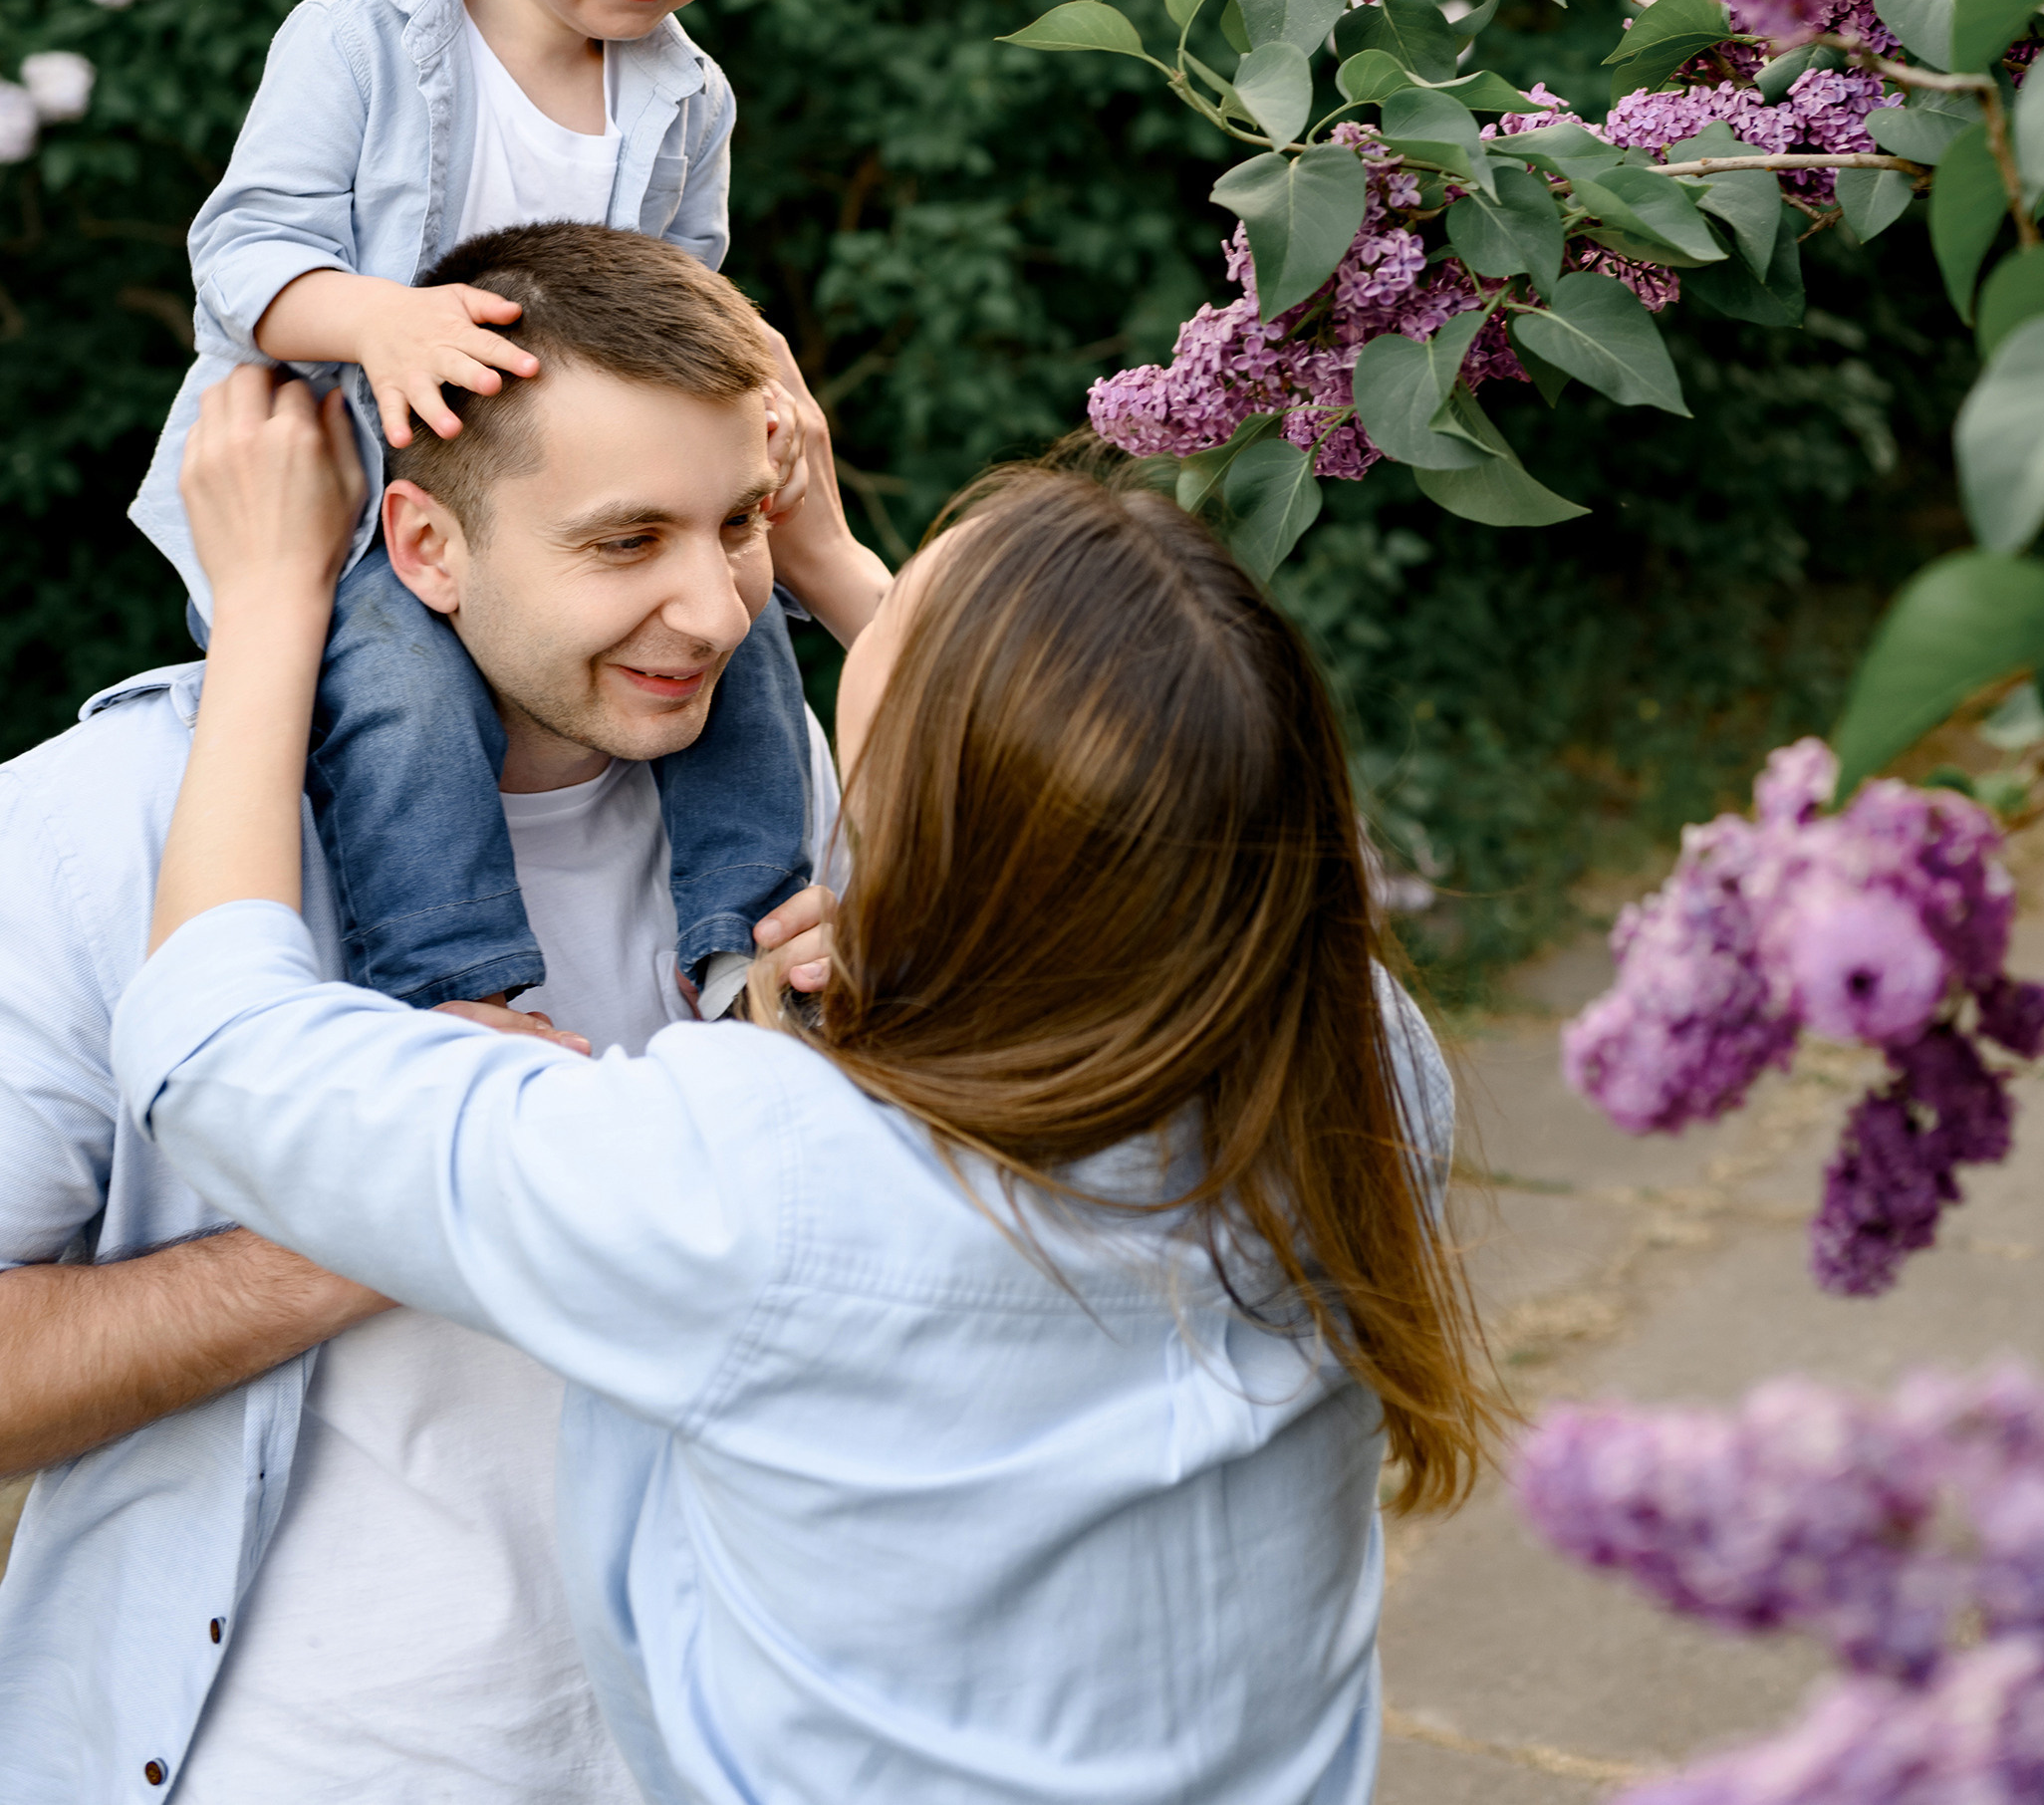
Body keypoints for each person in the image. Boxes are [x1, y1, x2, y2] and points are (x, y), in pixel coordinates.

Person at [112, 362, 1493, 1805]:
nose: (748, 613)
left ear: (926, 806)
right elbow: (1113, 822)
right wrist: (835, 587)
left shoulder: (766, 1181)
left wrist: (269, 607)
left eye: (885, 614)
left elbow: (214, 1051)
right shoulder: (1359, 1064)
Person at [0, 224, 885, 1804]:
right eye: (627, 542)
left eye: (738, 525)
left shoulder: (779, 800)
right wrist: (426, 1189)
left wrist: (879, 1090)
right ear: (425, 546)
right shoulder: (102, 828)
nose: (712, 613)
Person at [129, 0, 859, 1016]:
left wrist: (745, 401)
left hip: (582, 497)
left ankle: (748, 940)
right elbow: (242, 250)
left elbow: (681, 295)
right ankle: (453, 987)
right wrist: (374, 321)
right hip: (360, 506)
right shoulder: (361, 39)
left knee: (747, 641)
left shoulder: (685, 95)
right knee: (403, 695)